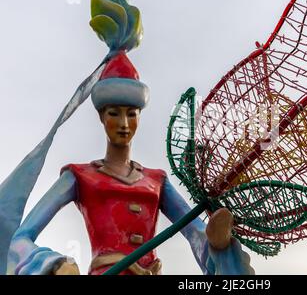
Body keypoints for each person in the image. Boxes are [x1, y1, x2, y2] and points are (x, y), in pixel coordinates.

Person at [6, 49, 254, 275]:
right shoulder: (79, 176)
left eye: (131, 114)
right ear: (102, 116)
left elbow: (196, 232)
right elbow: (19, 239)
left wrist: (218, 245)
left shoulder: (156, 180)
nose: (124, 124)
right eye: (114, 113)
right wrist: (56, 265)